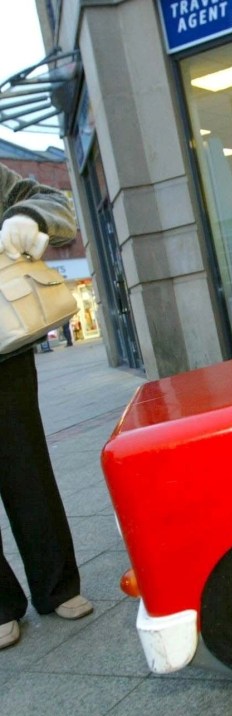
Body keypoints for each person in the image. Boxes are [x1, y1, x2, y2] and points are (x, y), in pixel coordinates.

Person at [0, 162, 93, 652]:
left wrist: (26, 217)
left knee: (27, 470)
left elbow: (56, 204)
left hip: (3, 347)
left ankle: (57, 586)